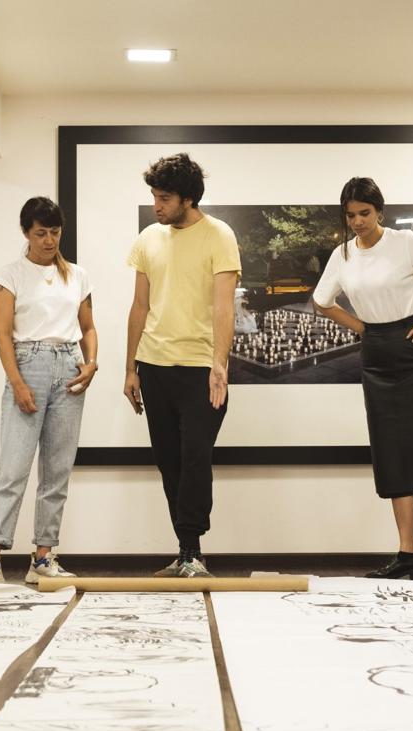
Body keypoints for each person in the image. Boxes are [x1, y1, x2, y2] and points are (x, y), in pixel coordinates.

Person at [312, 177, 413, 581]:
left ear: (379, 211)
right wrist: (362, 327)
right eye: (350, 215)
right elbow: (321, 302)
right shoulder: (342, 254)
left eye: (364, 213)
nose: (357, 222)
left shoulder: (406, 242)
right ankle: (409, 552)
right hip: (377, 355)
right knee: (393, 453)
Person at [0, 197, 98, 583]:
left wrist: (91, 364)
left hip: (70, 366)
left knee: (57, 468)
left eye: (55, 232)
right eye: (41, 233)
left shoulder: (77, 275)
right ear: (26, 233)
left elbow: (88, 327)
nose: (48, 240)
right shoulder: (10, 276)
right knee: (14, 466)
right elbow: (2, 334)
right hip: (29, 362)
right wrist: (17, 381)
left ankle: (43, 555)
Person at [122, 153, 241, 578]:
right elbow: (139, 306)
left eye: (165, 197)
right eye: (154, 196)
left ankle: (191, 549)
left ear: (188, 198)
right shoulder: (148, 239)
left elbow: (224, 307)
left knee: (195, 459)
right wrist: (130, 368)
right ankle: (188, 551)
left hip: (200, 370)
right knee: (169, 461)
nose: (157, 205)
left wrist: (220, 365)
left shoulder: (219, 236)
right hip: (154, 367)